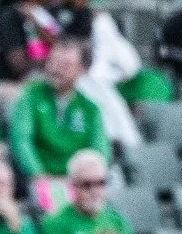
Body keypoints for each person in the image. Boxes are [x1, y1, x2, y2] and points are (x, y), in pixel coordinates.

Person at [7, 38, 107, 201]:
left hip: (79, 182)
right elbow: (21, 140)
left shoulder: (90, 109)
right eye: (52, 62)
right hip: (39, 180)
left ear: (82, 69)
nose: (55, 69)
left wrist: (81, 178)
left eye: (65, 64)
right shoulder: (31, 95)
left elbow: (100, 152)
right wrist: (39, 175)